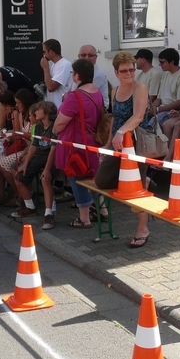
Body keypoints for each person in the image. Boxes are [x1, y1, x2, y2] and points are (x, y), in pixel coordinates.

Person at [95, 52, 151, 248]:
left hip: (135, 145)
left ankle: (143, 229)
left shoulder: (140, 88)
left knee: (136, 191)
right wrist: (108, 143)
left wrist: (121, 132)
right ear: (116, 72)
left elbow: (138, 116)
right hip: (118, 144)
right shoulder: (115, 90)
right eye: (124, 71)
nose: (129, 74)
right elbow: (114, 119)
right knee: (101, 181)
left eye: (131, 70)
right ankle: (144, 181)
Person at [53, 59, 101, 230]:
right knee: (91, 176)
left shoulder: (75, 96)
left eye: (72, 73)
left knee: (77, 176)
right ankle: (101, 210)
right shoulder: (97, 92)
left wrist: (55, 130)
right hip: (91, 140)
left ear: (77, 75)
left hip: (75, 143)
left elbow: (60, 123)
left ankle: (84, 218)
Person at [12, 101, 57, 219]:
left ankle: (49, 213)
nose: (35, 112)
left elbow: (53, 150)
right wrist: (25, 163)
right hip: (40, 156)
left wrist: (46, 169)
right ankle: (29, 206)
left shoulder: (55, 127)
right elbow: (34, 146)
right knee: (18, 176)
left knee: (45, 180)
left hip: (53, 159)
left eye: (38, 110)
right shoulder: (38, 127)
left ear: (46, 112)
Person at [0, 88, 35, 206]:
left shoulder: (32, 116)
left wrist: (13, 135)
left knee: (3, 164)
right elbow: (19, 133)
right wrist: (8, 135)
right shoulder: (21, 115)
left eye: (19, 103)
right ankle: (3, 194)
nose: (16, 105)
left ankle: (20, 195)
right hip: (22, 145)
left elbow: (32, 139)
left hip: (30, 148)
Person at [151, 48, 180, 125]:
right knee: (140, 119)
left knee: (153, 124)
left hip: (172, 111)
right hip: (161, 109)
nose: (159, 64)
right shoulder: (165, 75)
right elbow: (159, 99)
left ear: (172, 62)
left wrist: (158, 109)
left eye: (162, 62)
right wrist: (151, 108)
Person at [40, 38, 71, 107]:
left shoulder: (64, 65)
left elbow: (51, 87)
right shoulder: (54, 65)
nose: (44, 55)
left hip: (60, 106)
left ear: (51, 52)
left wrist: (45, 68)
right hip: (52, 107)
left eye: (44, 52)